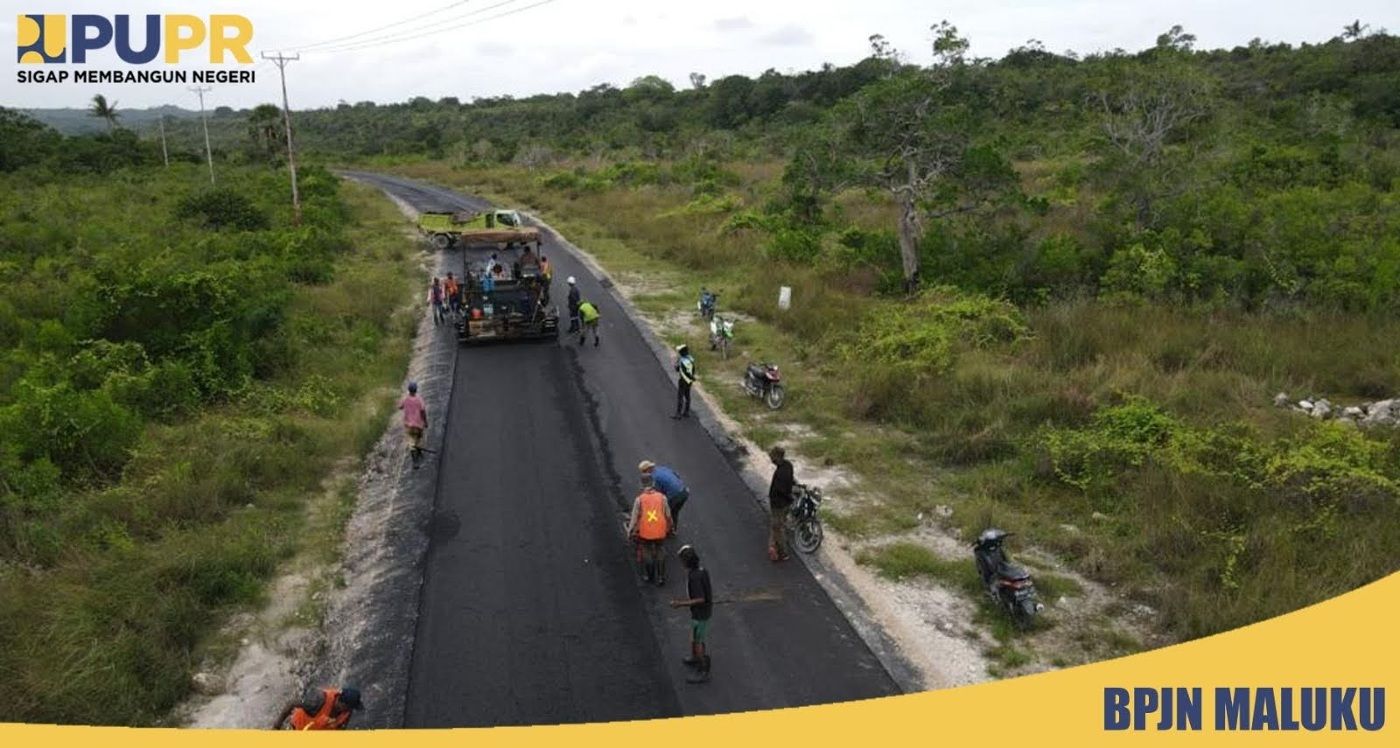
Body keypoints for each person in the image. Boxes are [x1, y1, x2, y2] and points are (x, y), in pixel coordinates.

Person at [670, 545, 713, 684]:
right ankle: (695, 657)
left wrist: (680, 604)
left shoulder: (694, 577)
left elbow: (700, 598)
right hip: (703, 611)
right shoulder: (701, 571)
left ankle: (703, 668)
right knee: (694, 637)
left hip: (700, 613)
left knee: (698, 639)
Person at [626, 473, 673, 585]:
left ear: (641, 485)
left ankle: (650, 575)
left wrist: (630, 531)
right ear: (653, 483)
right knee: (660, 549)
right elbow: (668, 515)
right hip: (660, 529)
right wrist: (671, 526)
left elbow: (634, 517)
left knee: (646, 551)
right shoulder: (662, 497)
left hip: (646, 531)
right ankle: (661, 576)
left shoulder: (639, 500)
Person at [273, 687, 363, 730]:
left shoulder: (347, 711)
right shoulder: (319, 700)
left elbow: (341, 729)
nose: (350, 710)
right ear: (342, 703)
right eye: (349, 707)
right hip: (297, 727)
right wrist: (276, 726)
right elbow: (291, 704)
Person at [639, 460, 690, 532]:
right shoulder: (662, 468)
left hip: (674, 496)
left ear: (647, 469)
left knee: (663, 512)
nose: (644, 473)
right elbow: (676, 475)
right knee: (674, 512)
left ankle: (660, 530)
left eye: (644, 471)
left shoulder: (654, 477)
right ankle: (673, 530)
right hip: (684, 492)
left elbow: (658, 493)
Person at [767, 446, 794, 561]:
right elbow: (791, 481)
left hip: (778, 504)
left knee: (777, 527)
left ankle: (782, 552)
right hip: (785, 503)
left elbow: (780, 489)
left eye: (772, 457)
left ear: (777, 457)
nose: (771, 459)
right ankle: (772, 546)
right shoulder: (788, 466)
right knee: (777, 526)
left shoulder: (780, 472)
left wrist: (786, 497)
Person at [399, 381, 428, 469]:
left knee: (411, 442)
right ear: (416, 390)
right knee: (418, 438)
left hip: (408, 425)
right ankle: (419, 452)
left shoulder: (406, 399)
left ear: (409, 390)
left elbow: (400, 406)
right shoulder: (419, 399)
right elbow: (423, 411)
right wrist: (425, 421)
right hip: (418, 424)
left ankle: (415, 461)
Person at [672, 344, 695, 419]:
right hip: (689, 381)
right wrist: (692, 377)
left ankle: (678, 413)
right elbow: (693, 369)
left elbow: (678, 369)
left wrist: (676, 365)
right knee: (687, 396)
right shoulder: (691, 359)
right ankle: (686, 412)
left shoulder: (681, 360)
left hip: (683, 380)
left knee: (680, 396)